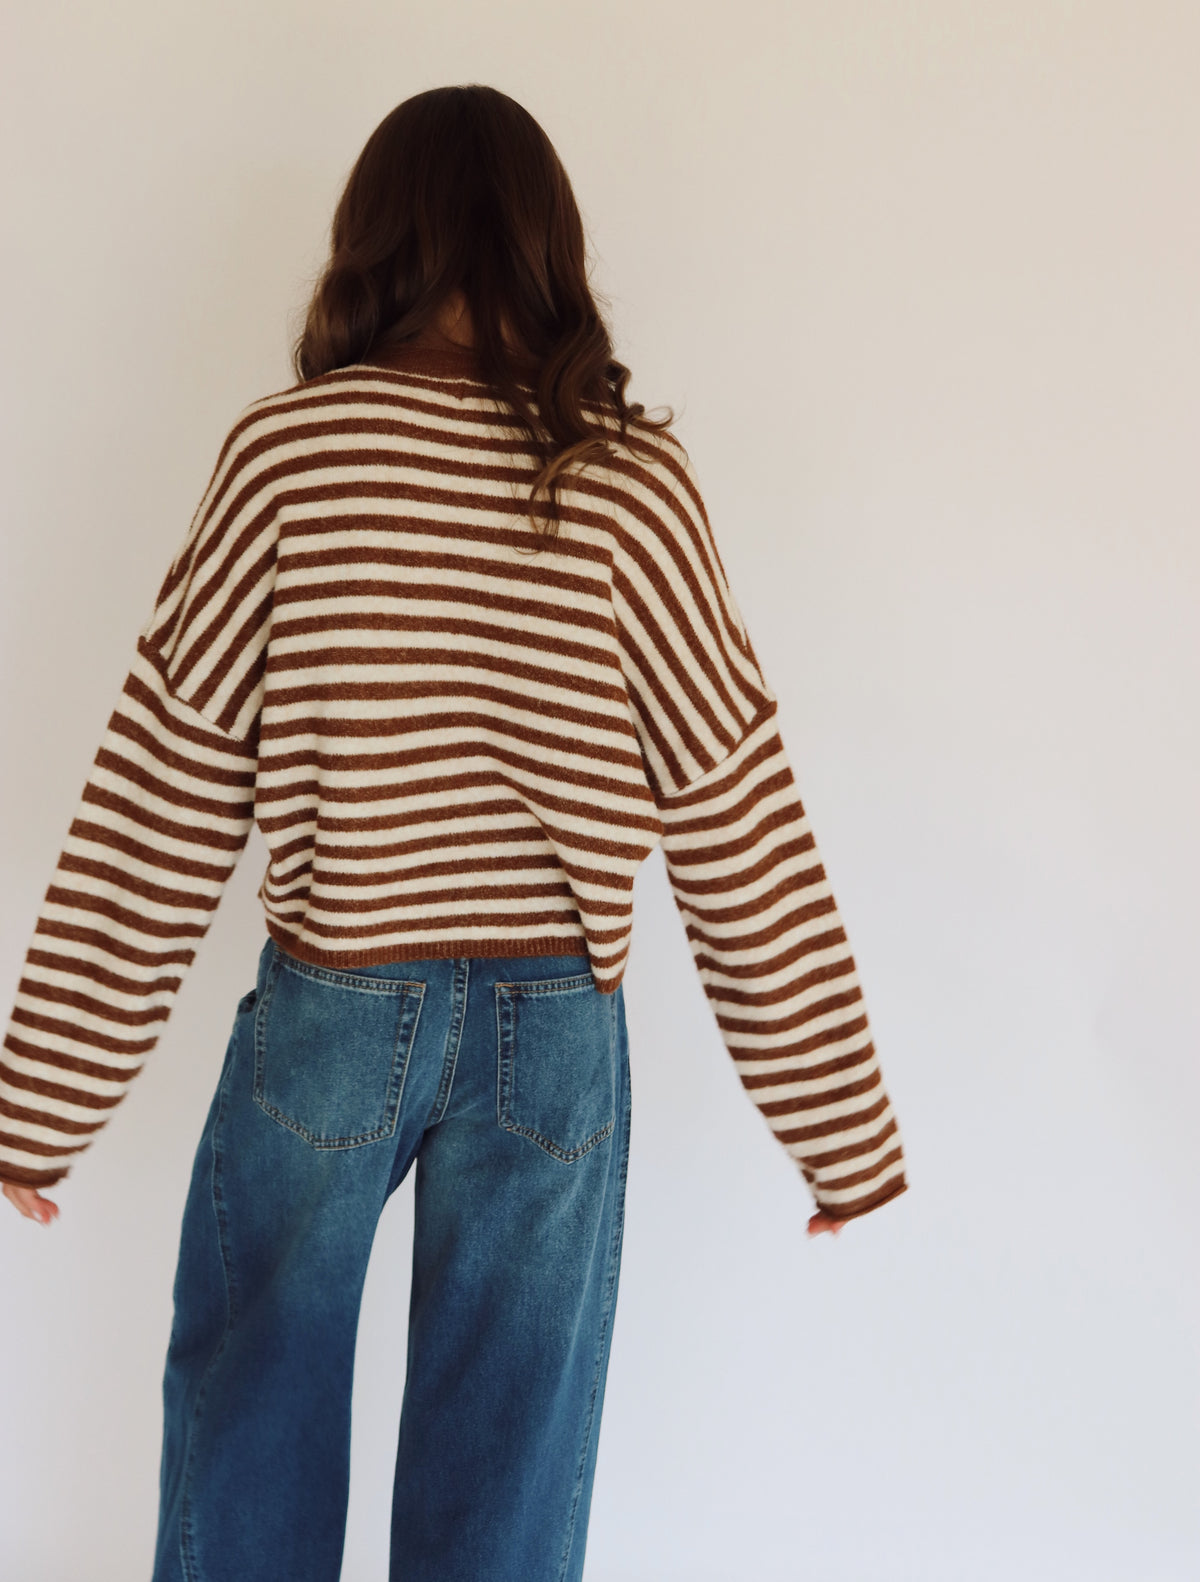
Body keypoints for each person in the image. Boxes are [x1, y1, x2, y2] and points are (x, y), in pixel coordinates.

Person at [0, 84, 908, 1582]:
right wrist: (841, 1130)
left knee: (249, 1427)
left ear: (371, 244)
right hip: (556, 1035)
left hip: (333, 1008)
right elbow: (739, 815)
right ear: (551, 249)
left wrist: (38, 1099)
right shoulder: (632, 482)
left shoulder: (293, 459)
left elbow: (158, 795)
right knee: (512, 1472)